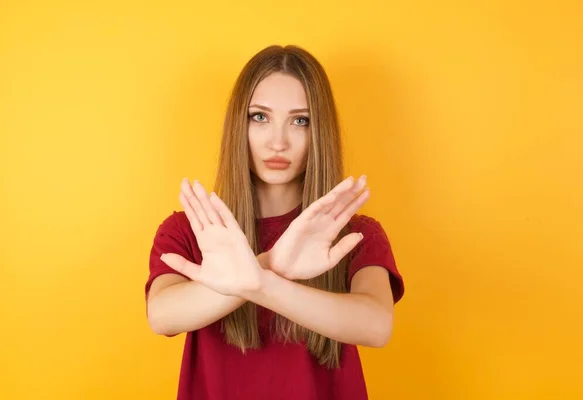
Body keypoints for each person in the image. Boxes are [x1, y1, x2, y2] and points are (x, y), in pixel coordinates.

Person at [145, 44, 404, 400]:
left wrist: (264, 283)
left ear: (319, 132)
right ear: (239, 124)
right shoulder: (192, 230)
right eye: (260, 117)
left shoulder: (354, 234)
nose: (278, 142)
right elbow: (163, 315)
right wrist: (272, 264)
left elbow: (376, 325)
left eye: (300, 121)